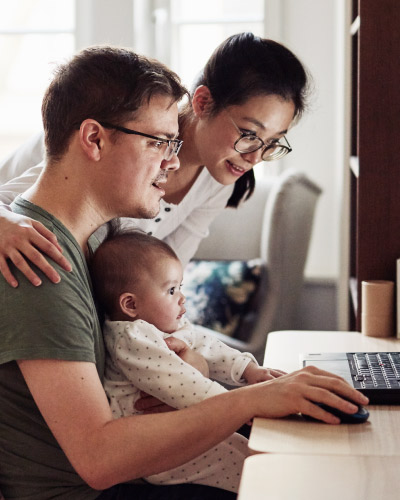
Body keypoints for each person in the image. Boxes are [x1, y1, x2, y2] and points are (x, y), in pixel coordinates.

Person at [0, 44, 369, 500]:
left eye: (173, 143)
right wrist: (247, 401)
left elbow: (163, 304)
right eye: (159, 142)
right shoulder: (39, 257)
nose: (173, 163)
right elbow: (99, 457)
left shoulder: (98, 237)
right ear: (94, 140)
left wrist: (198, 368)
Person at [0, 32, 309, 287]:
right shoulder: (115, 140)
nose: (255, 157)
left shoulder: (217, 181)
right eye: (249, 133)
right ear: (202, 102)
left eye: (272, 143)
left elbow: (164, 279)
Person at [89, 227, 286, 493]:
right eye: (171, 290)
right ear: (131, 305)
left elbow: (208, 347)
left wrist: (249, 370)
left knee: (257, 453)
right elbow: (182, 385)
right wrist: (243, 407)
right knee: (249, 467)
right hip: (157, 450)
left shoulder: (164, 326)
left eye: (180, 287)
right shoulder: (132, 337)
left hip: (185, 424)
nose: (182, 297)